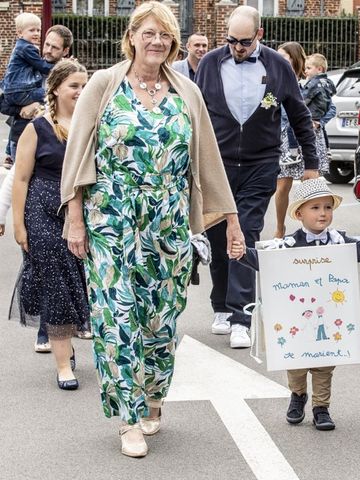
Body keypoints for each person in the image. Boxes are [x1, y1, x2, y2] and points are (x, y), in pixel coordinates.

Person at [61, 1, 243, 458]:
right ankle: (128, 420)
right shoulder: (104, 85)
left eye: (164, 35)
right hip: (111, 219)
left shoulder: (186, 91)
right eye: (148, 33)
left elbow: (208, 161)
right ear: (132, 37)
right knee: (116, 318)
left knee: (161, 321)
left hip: (169, 221)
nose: (157, 41)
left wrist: (232, 220)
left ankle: (154, 394)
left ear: (173, 42)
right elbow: (77, 154)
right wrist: (75, 217)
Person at [195, 5, 319, 349]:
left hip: (260, 163)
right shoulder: (210, 64)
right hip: (216, 163)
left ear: (259, 35)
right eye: (231, 41)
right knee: (218, 236)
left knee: (246, 232)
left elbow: (298, 113)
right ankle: (220, 304)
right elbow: (193, 111)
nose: (237, 48)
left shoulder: (278, 66)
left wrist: (311, 162)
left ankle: (241, 316)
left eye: (244, 42)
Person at [230, 177, 360, 430]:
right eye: (315, 208)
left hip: (329, 315)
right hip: (297, 317)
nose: (322, 213)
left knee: (324, 363)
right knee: (295, 359)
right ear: (299, 214)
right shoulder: (289, 245)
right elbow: (264, 261)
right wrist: (241, 254)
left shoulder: (339, 242)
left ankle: (321, 407)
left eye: (327, 207)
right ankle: (298, 395)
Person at [10, 59, 90, 391]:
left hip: (81, 215)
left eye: (84, 87)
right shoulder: (37, 128)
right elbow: (21, 179)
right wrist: (18, 226)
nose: (80, 92)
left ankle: (65, 340)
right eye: (74, 86)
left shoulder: (91, 125)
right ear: (56, 88)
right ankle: (62, 363)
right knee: (56, 283)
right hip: (41, 213)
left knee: (77, 280)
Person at [2, 24, 76, 351]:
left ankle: (64, 325)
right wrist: (8, 217)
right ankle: (48, 329)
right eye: (45, 44)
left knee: (68, 271)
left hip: (71, 209)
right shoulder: (37, 122)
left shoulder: (85, 119)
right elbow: (17, 176)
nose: (46, 50)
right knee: (44, 268)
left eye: (54, 48)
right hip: (37, 205)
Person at [273, 47, 336, 239]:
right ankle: (280, 227)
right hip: (285, 137)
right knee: (283, 185)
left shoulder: (309, 83)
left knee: (310, 186)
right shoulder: (276, 81)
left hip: (308, 137)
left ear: (294, 59)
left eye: (283, 56)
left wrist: (319, 122)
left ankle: (312, 231)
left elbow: (331, 107)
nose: (278, 59)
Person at [0, 13, 53, 118]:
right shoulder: (26, 48)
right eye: (32, 30)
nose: (36, 33)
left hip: (12, 92)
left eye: (38, 30)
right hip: (20, 91)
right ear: (20, 33)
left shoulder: (20, 47)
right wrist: (60, 67)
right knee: (52, 94)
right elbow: (42, 66)